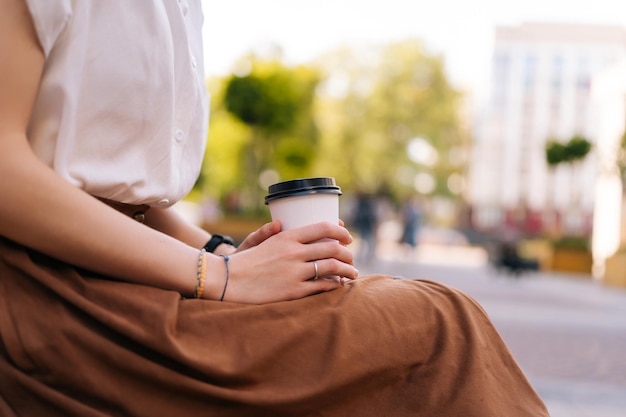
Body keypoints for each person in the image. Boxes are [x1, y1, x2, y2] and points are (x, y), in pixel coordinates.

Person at [0, 1, 549, 416]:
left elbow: (127, 197)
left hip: (133, 272)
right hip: (47, 288)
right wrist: (218, 275)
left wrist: (227, 253)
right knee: (437, 330)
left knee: (438, 319)